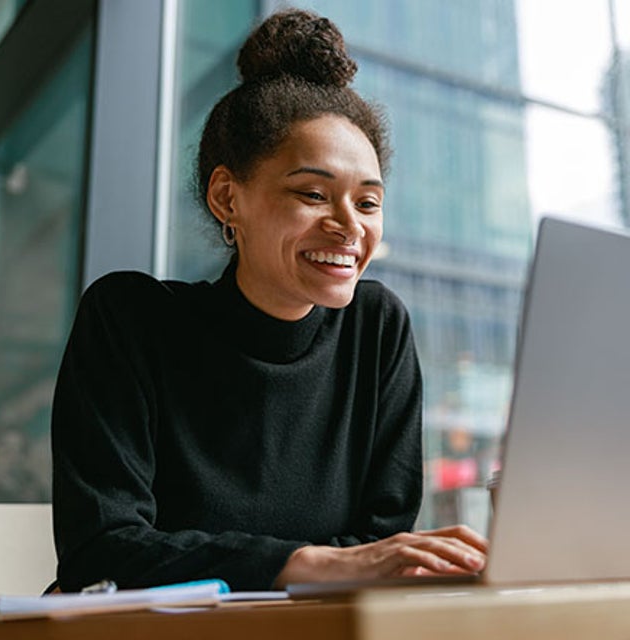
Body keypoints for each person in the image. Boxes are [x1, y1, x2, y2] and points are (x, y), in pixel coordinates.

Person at [51, 8, 487, 593]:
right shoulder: (129, 320)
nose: (348, 227)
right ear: (228, 197)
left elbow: (381, 547)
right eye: (313, 193)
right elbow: (101, 549)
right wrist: (316, 563)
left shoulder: (376, 328)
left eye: (367, 202)